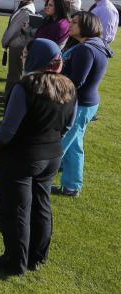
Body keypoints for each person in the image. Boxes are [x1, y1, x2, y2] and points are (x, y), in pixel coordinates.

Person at [0, 38, 77, 277]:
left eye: (26, 53)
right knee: (41, 206)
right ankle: (37, 257)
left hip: (22, 157)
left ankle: (15, 262)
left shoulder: (25, 87)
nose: (23, 56)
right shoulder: (68, 86)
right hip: (51, 155)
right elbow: (68, 125)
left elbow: (8, 128)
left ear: (36, 57)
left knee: (15, 209)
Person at [54, 12, 112, 197]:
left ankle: (38, 179)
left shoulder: (85, 49)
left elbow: (76, 81)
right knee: (73, 145)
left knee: (59, 145)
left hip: (80, 104)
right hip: (86, 103)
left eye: (75, 23)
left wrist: (54, 80)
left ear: (86, 26)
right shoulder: (95, 45)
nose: (70, 25)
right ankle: (71, 186)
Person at [1, 0, 38, 96]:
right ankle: (9, 94)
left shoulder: (26, 10)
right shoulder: (24, 6)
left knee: (15, 73)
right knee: (14, 72)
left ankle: (11, 96)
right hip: (17, 43)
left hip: (18, 45)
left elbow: (14, 29)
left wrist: (4, 42)